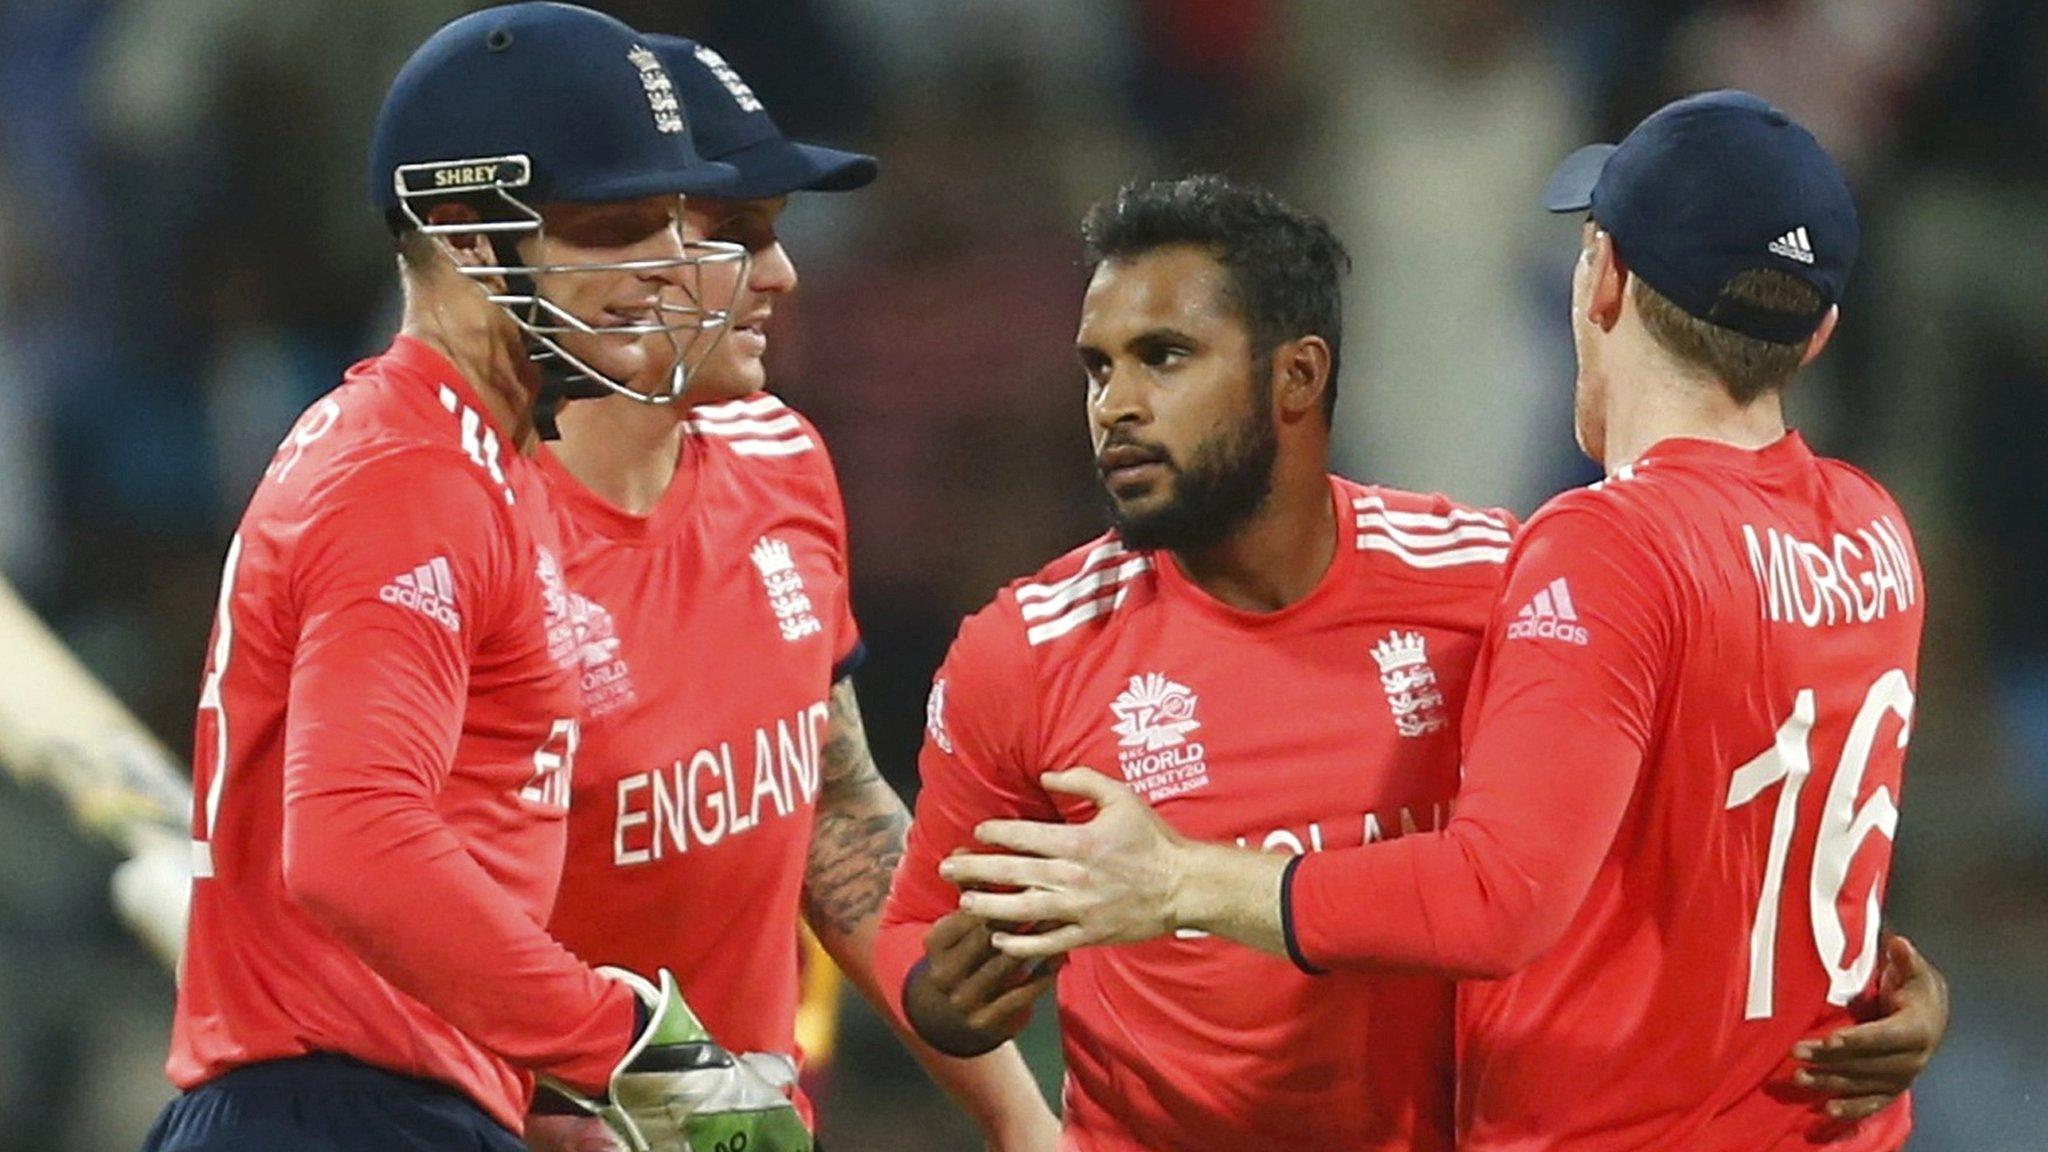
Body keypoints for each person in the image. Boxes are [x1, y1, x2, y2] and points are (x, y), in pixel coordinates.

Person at [945, 97, 1940, 1150]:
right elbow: (1743, 849)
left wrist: (1177, 878)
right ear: (1818, 330)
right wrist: (1878, 983)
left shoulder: (1611, 546)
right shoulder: (1874, 534)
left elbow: (1500, 894)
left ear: (1600, 278)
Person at [146, 7, 809, 1152]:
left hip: (373, 1104)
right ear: (465, 233)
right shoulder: (408, 477)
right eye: (612, 227)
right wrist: (635, 1053)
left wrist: (544, 1102)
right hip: (338, 1115)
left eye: (669, 223)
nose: (663, 269)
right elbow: (355, 841)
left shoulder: (458, 457)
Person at [522, 35, 1058, 1152]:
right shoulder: (472, 529)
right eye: (737, 240)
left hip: (750, 1128)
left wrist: (1020, 1119)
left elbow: (834, 802)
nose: (784, 275)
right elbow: (413, 910)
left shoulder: (784, 460)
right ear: (612, 252)